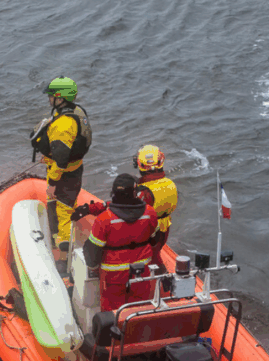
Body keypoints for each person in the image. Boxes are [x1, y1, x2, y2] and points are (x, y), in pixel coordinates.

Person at [30, 76, 92, 257]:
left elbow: (61, 159)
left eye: (51, 96)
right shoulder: (76, 110)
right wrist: (49, 158)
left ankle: (64, 249)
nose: (49, 99)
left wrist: (53, 182)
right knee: (54, 203)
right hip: (74, 168)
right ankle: (56, 235)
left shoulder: (64, 124)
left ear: (60, 98)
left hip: (65, 174)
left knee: (63, 209)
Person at [77, 174, 158, 311]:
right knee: (139, 309)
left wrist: (94, 270)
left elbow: (92, 254)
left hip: (113, 277)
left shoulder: (104, 220)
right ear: (134, 193)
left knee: (113, 312)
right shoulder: (150, 213)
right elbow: (155, 239)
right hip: (141, 272)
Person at [133, 145, 178, 263]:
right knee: (155, 254)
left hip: (149, 233)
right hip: (165, 228)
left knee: (152, 258)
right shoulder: (170, 183)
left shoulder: (143, 192)